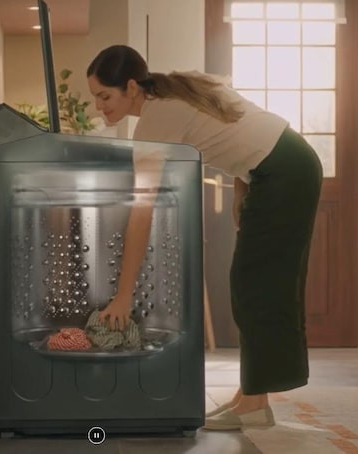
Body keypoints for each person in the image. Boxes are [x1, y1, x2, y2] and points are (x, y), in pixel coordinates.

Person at [87, 45, 322, 431]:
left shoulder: (156, 119)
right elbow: (239, 126)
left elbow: (141, 211)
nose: (99, 106)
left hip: (283, 171)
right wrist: (241, 188)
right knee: (253, 283)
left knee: (257, 285)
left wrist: (123, 294)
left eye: (104, 96)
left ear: (130, 87)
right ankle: (251, 396)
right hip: (285, 164)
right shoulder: (178, 88)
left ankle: (255, 404)